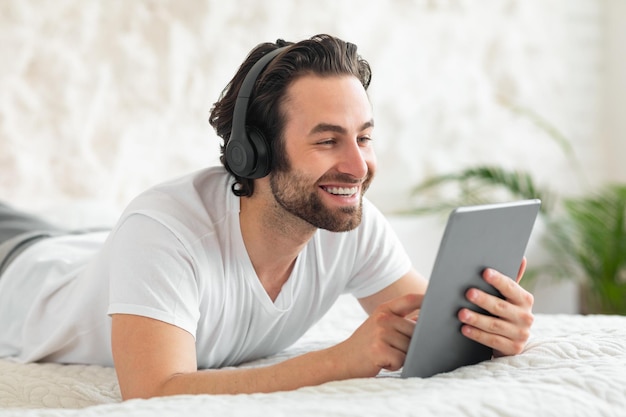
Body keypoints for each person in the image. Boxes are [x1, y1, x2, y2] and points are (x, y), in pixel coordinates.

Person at [0, 34, 534, 399]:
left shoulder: (348, 221)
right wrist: (337, 361)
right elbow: (154, 390)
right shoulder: (164, 229)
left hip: (88, 245)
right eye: (327, 140)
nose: (357, 166)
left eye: (364, 138)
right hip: (19, 270)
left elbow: (423, 325)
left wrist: (489, 327)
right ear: (251, 154)